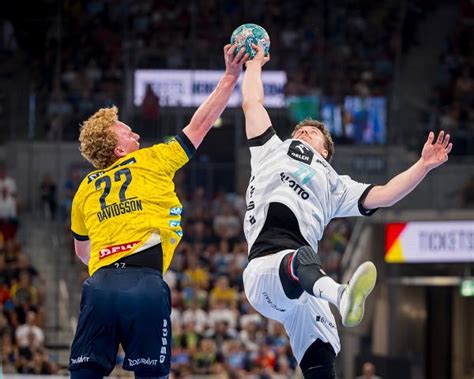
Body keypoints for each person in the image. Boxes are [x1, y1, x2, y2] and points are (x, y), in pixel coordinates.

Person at [241, 45, 453, 379]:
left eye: (312, 132)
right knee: (299, 259)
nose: (304, 131)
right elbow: (253, 103)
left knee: (323, 354)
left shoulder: (335, 183)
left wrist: (423, 166)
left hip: (302, 288)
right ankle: (342, 295)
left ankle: (337, 300)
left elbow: (384, 194)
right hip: (267, 272)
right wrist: (254, 65)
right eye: (300, 130)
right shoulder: (272, 149)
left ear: (325, 151)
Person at [69, 44, 248, 379]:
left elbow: (82, 252)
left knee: (84, 375)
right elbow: (202, 123)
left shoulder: (85, 187)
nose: (135, 132)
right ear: (119, 148)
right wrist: (229, 77)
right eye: (126, 130)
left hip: (100, 285)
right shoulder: (151, 159)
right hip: (144, 285)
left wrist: (113, 255)